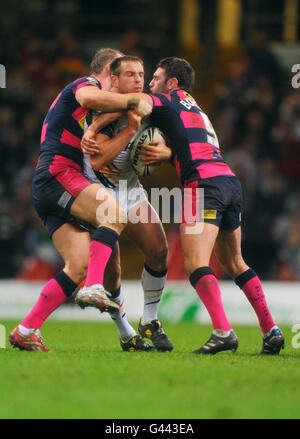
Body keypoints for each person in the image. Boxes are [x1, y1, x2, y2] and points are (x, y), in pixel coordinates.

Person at [120, 57, 284, 355]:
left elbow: (137, 103)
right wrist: (169, 153)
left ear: (172, 83)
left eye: (155, 78)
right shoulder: (196, 109)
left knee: (196, 263)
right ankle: (271, 330)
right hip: (228, 182)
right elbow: (196, 148)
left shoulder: (165, 100)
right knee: (236, 263)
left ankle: (223, 332)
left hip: (203, 187)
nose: (150, 83)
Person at [9, 48, 152, 352]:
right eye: (120, 73)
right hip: (60, 173)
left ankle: (27, 329)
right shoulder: (83, 86)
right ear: (108, 73)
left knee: (77, 265)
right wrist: (133, 101)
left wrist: (128, 124)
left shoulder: (92, 113)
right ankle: (93, 288)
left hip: (50, 185)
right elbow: (90, 98)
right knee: (114, 214)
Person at [81, 55, 173, 352]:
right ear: (115, 80)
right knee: (112, 271)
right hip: (99, 189)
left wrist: (164, 151)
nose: (138, 79)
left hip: (131, 189)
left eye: (141, 74)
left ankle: (150, 320)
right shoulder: (100, 107)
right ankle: (125, 332)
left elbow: (170, 140)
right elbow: (98, 160)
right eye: (130, 74)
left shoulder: (147, 105)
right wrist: (130, 130)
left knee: (159, 251)